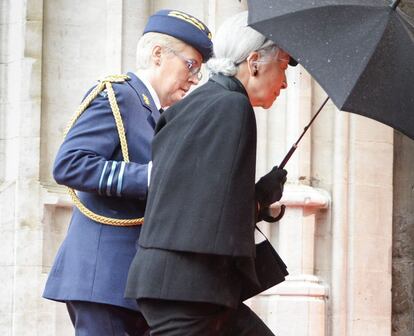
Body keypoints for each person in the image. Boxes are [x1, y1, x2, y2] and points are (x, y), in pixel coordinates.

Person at [125, 10, 297, 336]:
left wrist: (259, 197)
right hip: (190, 290)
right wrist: (259, 201)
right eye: (284, 66)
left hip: (179, 285)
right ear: (255, 61)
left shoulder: (199, 101)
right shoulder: (233, 106)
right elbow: (213, 212)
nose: (285, 82)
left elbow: (196, 199)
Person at [42, 9, 213, 336]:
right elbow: (69, 163)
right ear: (158, 55)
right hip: (102, 277)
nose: (194, 78)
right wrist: (150, 178)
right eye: (190, 65)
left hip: (129, 282)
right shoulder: (119, 95)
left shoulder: (153, 111)